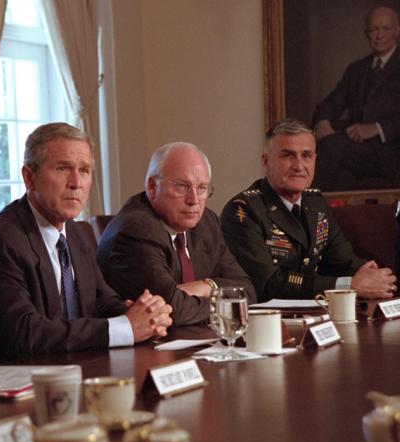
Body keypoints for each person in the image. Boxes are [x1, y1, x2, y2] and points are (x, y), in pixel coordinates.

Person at [0, 122, 172, 361]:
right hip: (17, 380)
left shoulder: (75, 233)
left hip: (76, 366)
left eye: (84, 170)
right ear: (29, 178)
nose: (76, 182)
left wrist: (144, 315)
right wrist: (125, 328)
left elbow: (102, 301)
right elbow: (24, 333)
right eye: (63, 168)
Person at [221, 118, 396, 302]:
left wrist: (375, 278)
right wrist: (348, 285)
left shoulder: (315, 204)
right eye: (288, 155)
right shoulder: (244, 210)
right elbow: (269, 283)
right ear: (265, 162)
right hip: (269, 321)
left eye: (306, 155)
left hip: (317, 316)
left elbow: (345, 263)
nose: (299, 166)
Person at [97, 142, 256, 325]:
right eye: (181, 186)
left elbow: (247, 290)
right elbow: (174, 310)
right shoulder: (136, 230)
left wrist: (206, 286)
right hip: (147, 349)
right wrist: (228, 302)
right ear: (152, 187)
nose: (193, 200)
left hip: (194, 341)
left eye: (202, 188)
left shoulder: (206, 222)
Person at [312, 5, 400, 190]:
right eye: (373, 29)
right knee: (338, 171)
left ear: (397, 31)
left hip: (392, 150)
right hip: (358, 149)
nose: (379, 35)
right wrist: (323, 121)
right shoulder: (357, 70)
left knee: (330, 148)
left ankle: (311, 214)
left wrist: (377, 129)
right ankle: (330, 215)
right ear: (366, 33)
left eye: (386, 28)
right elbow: (333, 101)